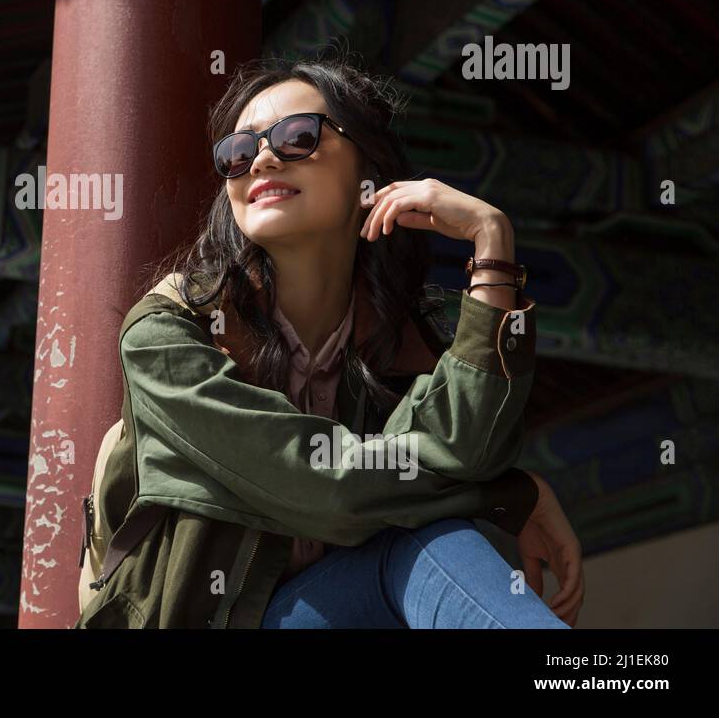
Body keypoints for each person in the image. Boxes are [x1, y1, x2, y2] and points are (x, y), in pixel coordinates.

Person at [114, 56, 583, 628]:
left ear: (369, 168)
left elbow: (471, 449)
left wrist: (492, 242)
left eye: (296, 138)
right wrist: (503, 499)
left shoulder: (395, 339)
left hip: (351, 609)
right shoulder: (168, 334)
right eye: (238, 153)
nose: (260, 158)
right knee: (421, 539)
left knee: (430, 541)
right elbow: (326, 490)